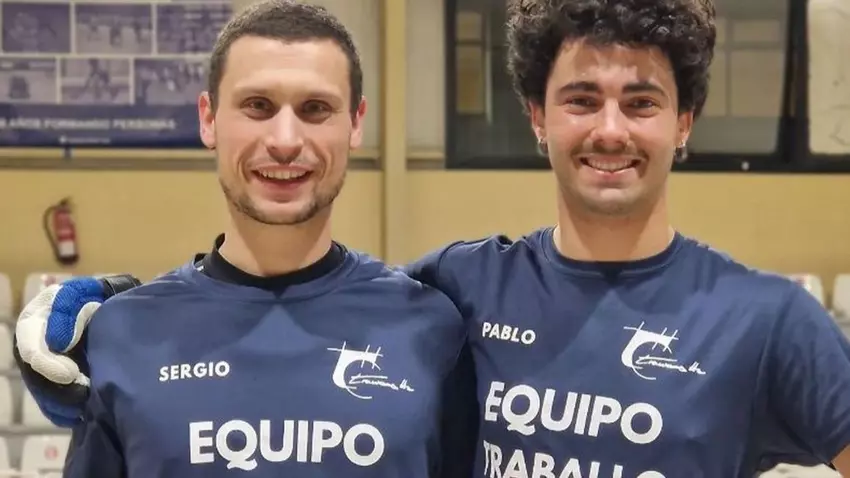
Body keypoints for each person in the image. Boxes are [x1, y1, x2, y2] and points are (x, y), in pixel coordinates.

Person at [15, 0, 850, 476]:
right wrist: (109, 329)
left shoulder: (767, 320)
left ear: (685, 122)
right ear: (537, 115)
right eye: (580, 98)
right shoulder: (461, 290)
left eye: (641, 102)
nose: (609, 128)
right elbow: (285, 298)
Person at [16, 1, 478, 476]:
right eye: (258, 106)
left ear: (356, 123)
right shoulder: (123, 332)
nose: (285, 140)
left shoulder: (430, 328)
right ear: (209, 119)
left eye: (315, 108)